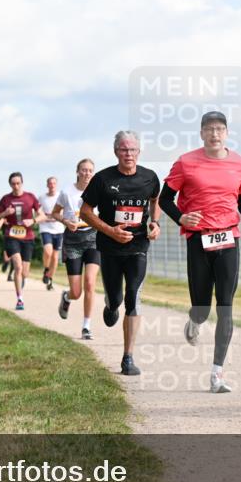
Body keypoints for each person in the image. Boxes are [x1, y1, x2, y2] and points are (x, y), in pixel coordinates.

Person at [159, 111, 241, 394]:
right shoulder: (186, 162)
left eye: (220, 129)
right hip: (198, 239)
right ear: (201, 133)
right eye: (209, 129)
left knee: (225, 304)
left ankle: (217, 374)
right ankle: (195, 321)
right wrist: (181, 218)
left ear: (226, 133)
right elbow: (165, 199)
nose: (215, 134)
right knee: (202, 307)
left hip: (228, 237)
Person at [81, 130, 161, 376]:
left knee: (133, 298)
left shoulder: (149, 177)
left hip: (138, 248)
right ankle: (110, 304)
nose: (129, 154)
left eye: (133, 149)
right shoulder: (103, 179)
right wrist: (110, 231)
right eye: (124, 149)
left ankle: (128, 357)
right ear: (116, 151)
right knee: (116, 299)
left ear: (139, 151)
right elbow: (85, 211)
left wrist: (155, 223)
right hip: (110, 248)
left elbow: (155, 200)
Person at [54, 158, 100, 340]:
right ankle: (67, 297)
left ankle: (86, 326)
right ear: (77, 172)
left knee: (90, 282)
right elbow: (54, 213)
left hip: (93, 239)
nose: (87, 173)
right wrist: (65, 221)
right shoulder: (67, 192)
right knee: (76, 292)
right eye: (83, 170)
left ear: (93, 173)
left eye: (90, 170)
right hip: (73, 240)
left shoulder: (99, 191)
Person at [0, 172, 43, 311]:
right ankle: (19, 299)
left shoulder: (30, 197)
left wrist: (33, 220)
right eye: (13, 184)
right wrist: (4, 214)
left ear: (22, 183)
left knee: (25, 272)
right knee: (18, 266)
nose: (16, 186)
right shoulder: (5, 199)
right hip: (11, 236)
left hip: (27, 237)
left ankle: (21, 280)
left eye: (18, 183)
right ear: (10, 184)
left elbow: (42, 215)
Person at [38, 176, 65, 291]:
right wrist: (45, 216)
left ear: (56, 184)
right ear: (47, 185)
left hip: (58, 229)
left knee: (55, 257)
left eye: (54, 183)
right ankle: (46, 268)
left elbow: (64, 210)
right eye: (50, 183)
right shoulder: (42, 198)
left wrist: (57, 216)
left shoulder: (61, 196)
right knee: (48, 252)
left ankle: (50, 280)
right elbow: (38, 212)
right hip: (45, 228)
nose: (52, 185)